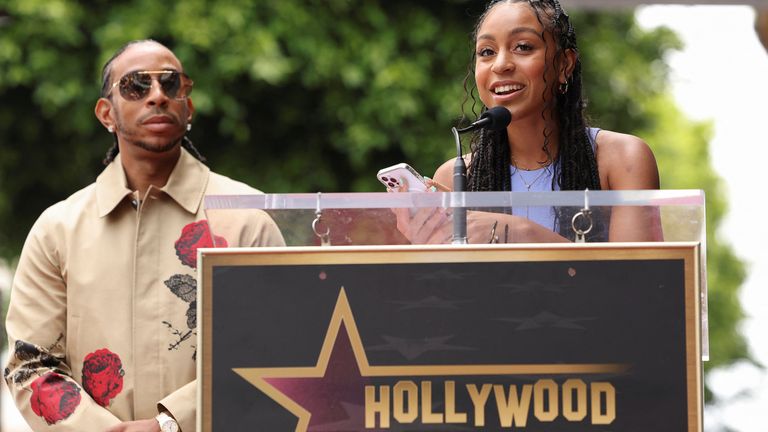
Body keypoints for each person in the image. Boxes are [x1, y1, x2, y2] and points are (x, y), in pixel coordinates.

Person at [4, 40, 285, 432]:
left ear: (189, 107)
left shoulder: (247, 219)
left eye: (172, 85)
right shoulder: (58, 230)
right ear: (107, 114)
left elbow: (273, 348)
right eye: (136, 86)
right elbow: (30, 364)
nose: (157, 96)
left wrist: (170, 424)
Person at [395, 0, 663, 244]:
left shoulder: (622, 160)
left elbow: (635, 287)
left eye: (523, 47)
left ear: (564, 65)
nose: (500, 65)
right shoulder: (457, 177)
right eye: (486, 51)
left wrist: (520, 233)